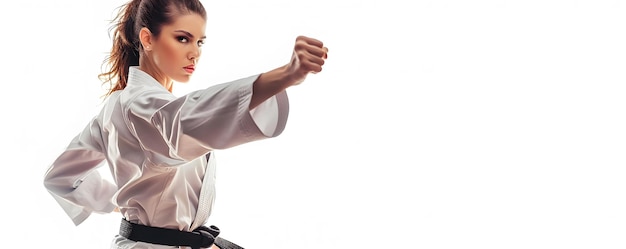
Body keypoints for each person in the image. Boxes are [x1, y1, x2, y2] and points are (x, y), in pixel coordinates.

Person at [42, 0, 328, 248]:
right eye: (182, 38)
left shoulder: (122, 104)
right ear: (147, 38)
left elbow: (61, 177)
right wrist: (284, 75)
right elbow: (183, 121)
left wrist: (119, 201)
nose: (195, 53)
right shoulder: (140, 105)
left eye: (199, 41)